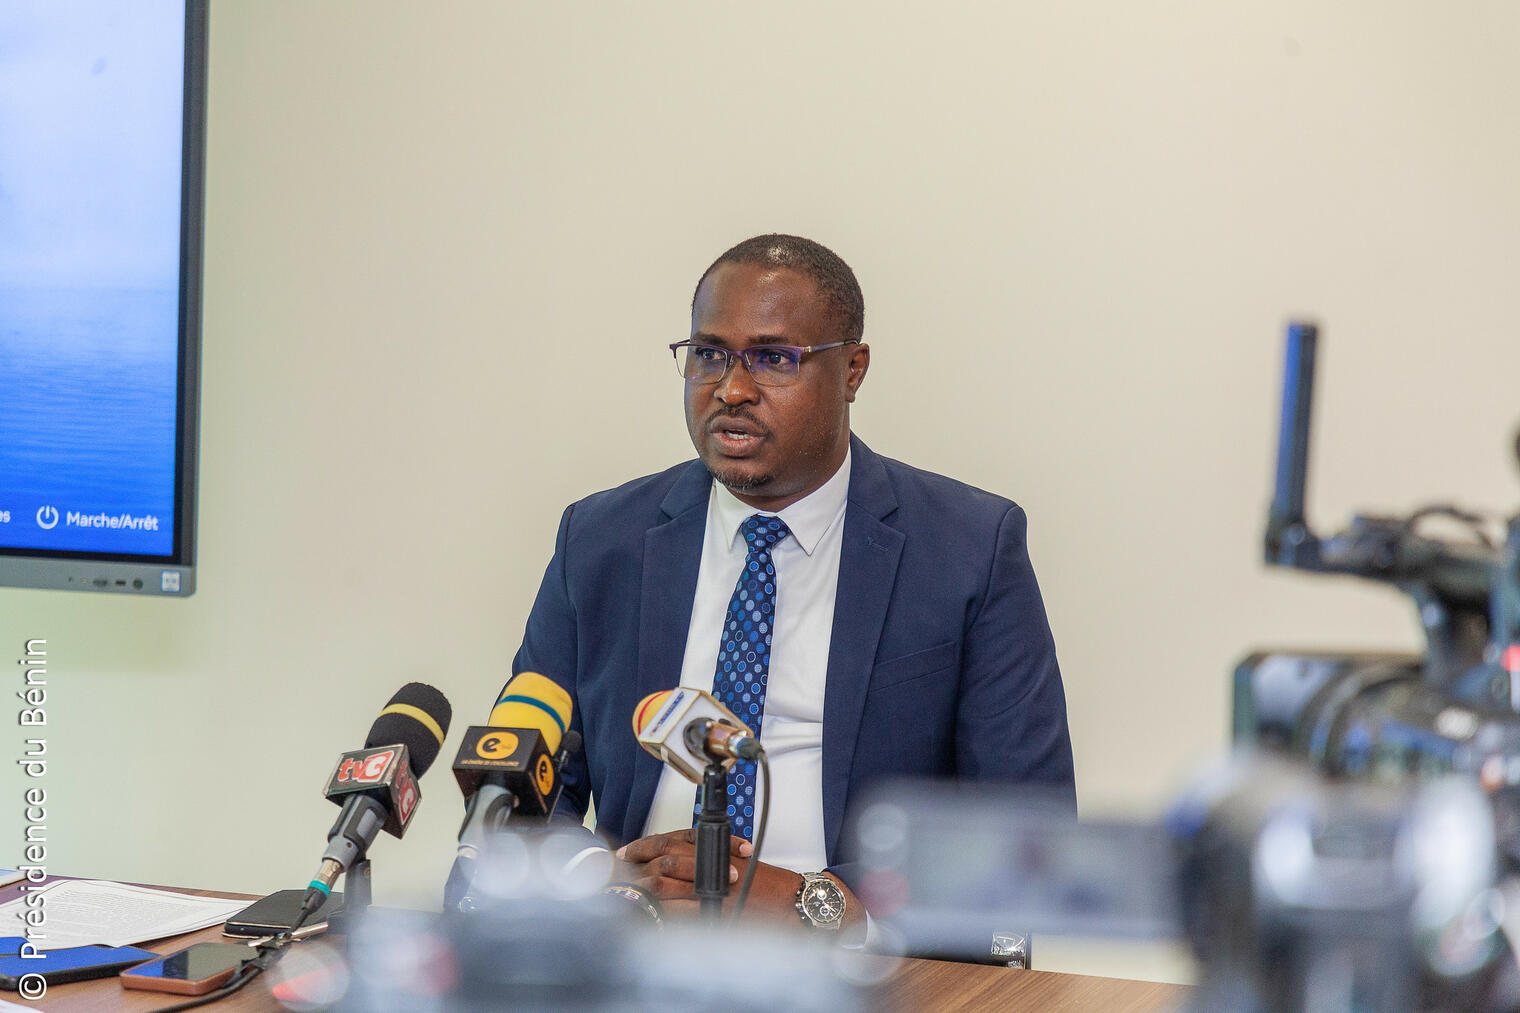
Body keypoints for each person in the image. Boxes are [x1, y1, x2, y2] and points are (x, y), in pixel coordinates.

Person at [513, 234, 1074, 936]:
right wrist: (603, 884)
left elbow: (1032, 836)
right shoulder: (600, 540)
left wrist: (817, 906)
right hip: (636, 953)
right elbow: (523, 801)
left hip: (860, 964)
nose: (732, 390)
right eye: (709, 354)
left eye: (774, 358)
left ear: (852, 370)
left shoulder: (968, 549)